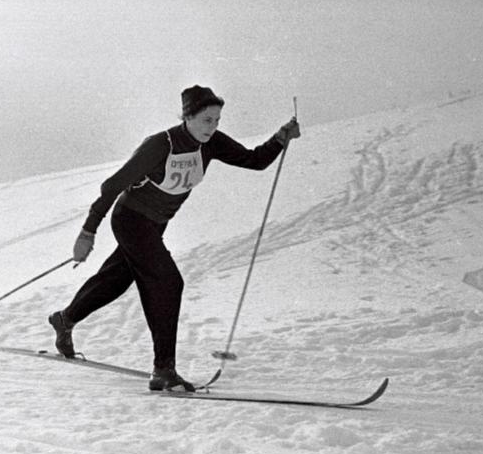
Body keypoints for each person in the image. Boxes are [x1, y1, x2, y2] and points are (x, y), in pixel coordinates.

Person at [49, 85, 300, 391]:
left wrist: (280, 138)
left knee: (116, 279)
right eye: (207, 120)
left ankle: (65, 319)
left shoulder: (211, 143)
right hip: (130, 220)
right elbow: (112, 186)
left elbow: (254, 160)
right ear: (188, 117)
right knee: (169, 283)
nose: (213, 127)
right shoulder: (160, 145)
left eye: (217, 120)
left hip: (155, 225)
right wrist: (88, 232)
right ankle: (163, 369)